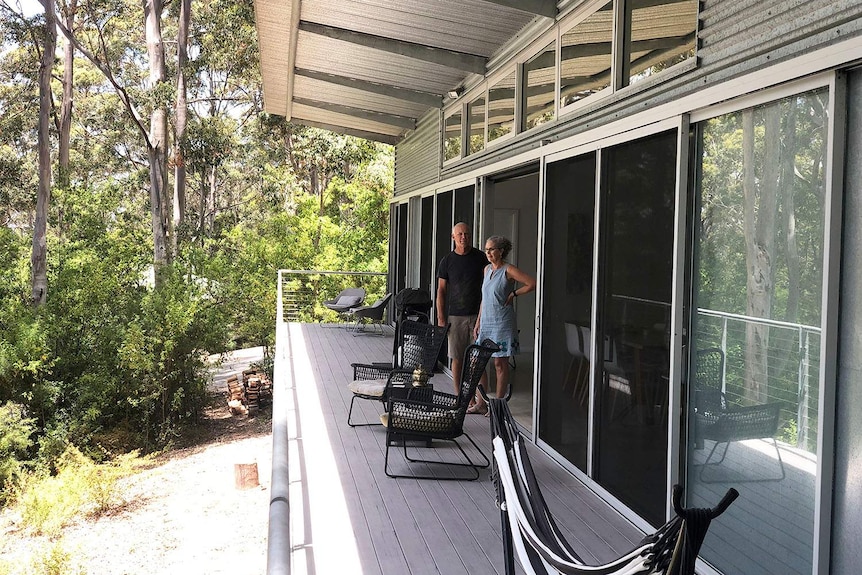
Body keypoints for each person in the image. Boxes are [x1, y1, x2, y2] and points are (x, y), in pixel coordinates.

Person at [470, 235, 536, 414]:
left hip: (502, 322)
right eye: (486, 249)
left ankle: (498, 405)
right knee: (477, 362)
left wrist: (514, 294)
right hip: (486, 322)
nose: (488, 253)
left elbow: (532, 283)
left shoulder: (508, 270)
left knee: (500, 362)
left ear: (501, 251)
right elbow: (485, 299)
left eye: (491, 249)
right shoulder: (486, 270)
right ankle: (482, 402)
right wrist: (478, 322)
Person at [436, 222, 488, 396]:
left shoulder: (481, 258)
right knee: (457, 359)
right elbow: (441, 291)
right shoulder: (447, 261)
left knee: (478, 359)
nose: (464, 237)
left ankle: (481, 400)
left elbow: (492, 281)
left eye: (467, 234)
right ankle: (460, 396)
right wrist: (441, 318)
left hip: (478, 316)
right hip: (455, 316)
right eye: (460, 234)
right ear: (453, 237)